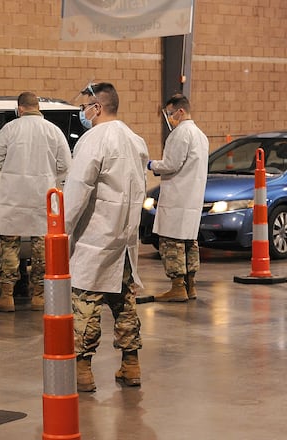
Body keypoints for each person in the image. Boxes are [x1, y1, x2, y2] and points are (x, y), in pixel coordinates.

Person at [63, 82, 148, 392]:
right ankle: (131, 365)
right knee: (124, 302)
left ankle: (83, 371)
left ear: (96, 108)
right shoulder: (135, 139)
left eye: (85, 107)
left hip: (94, 237)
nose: (83, 112)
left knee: (85, 303)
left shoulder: (93, 140)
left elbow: (78, 190)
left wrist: (61, 229)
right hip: (124, 237)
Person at [0, 91, 72, 312]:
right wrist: (47, 173)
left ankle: (7, 297)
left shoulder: (10, 129)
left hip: (13, 198)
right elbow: (65, 164)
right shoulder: (53, 131)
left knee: (9, 246)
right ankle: (39, 296)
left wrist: (12, 169)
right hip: (42, 198)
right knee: (41, 249)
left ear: (20, 109)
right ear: (38, 107)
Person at [144, 94, 209, 302]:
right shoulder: (201, 135)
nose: (169, 118)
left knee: (171, 243)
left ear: (180, 111)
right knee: (189, 243)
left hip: (177, 198)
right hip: (192, 199)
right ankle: (191, 285)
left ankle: (177, 287)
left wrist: (151, 164)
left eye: (170, 113)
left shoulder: (180, 134)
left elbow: (171, 164)